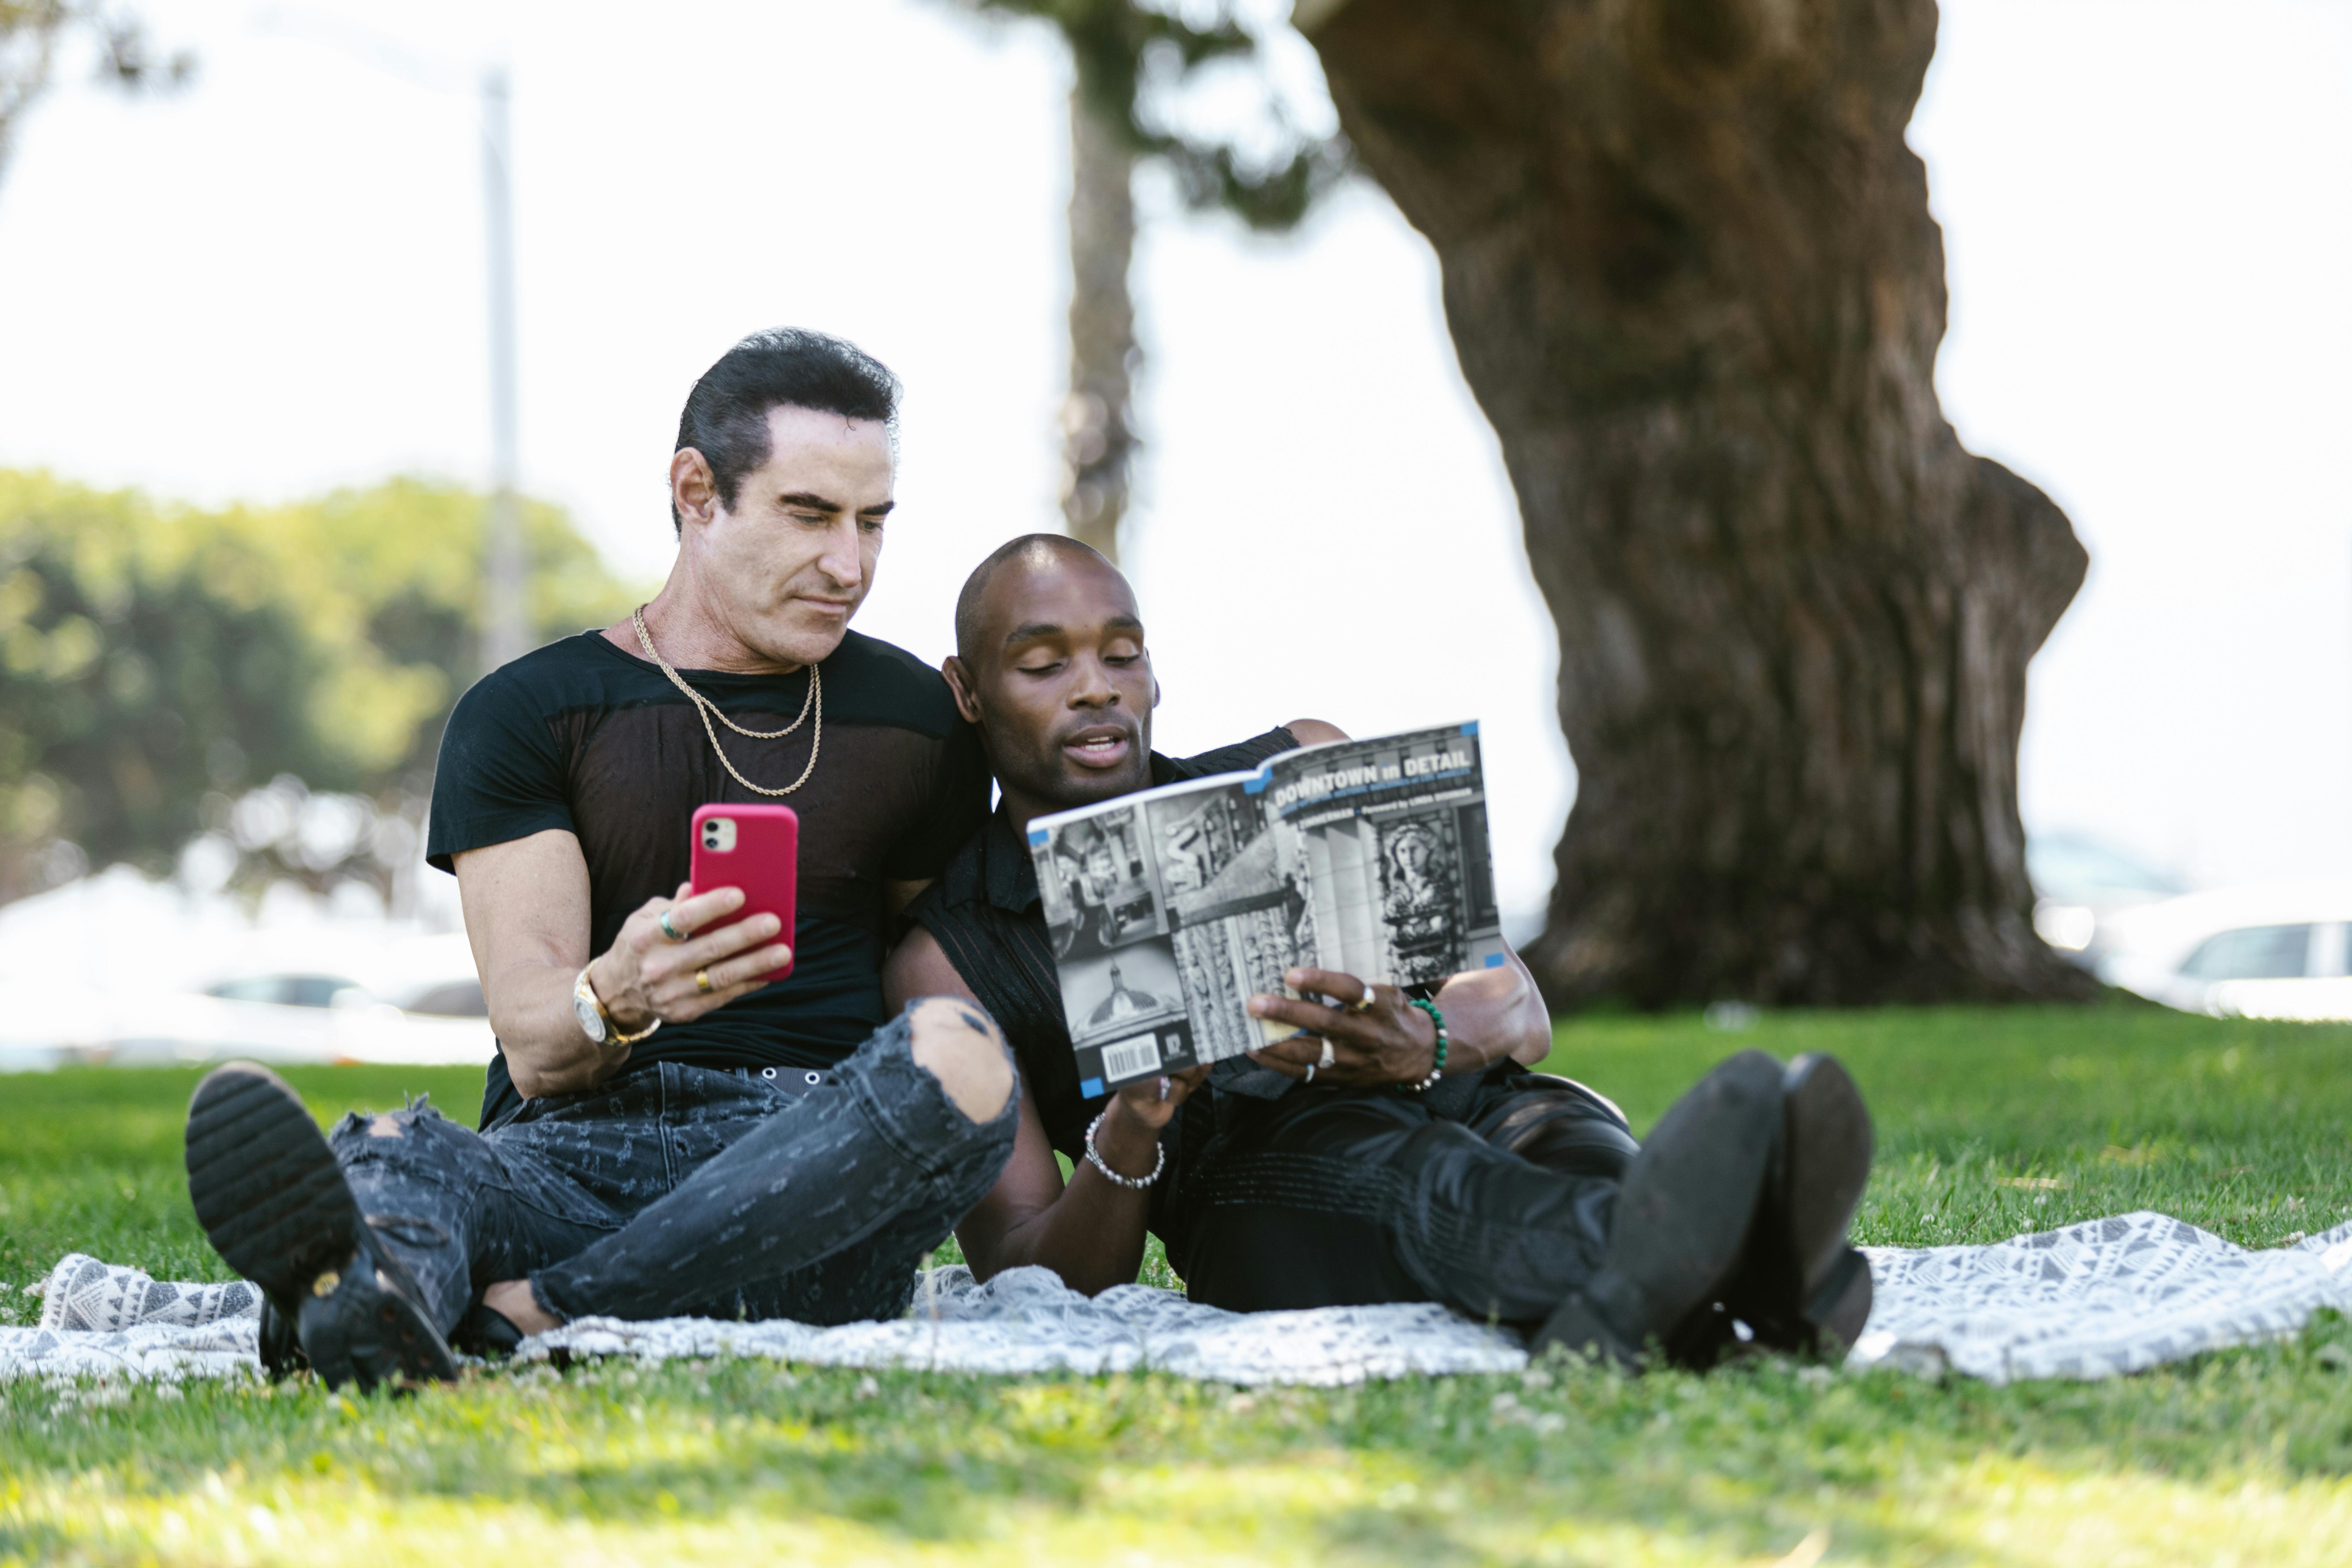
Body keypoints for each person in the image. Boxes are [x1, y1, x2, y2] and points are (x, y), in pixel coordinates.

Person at [183, 329, 1018, 1391]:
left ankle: (490, 1309)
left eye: (873, 523)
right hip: (572, 1152)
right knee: (405, 1145)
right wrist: (616, 994)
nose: (848, 565)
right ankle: (387, 1298)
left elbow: (925, 985)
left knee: (958, 1050)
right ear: (696, 492)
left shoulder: (920, 725)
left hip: (804, 1171)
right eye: (810, 515)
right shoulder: (531, 712)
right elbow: (535, 1048)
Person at [886, 535, 1876, 1367]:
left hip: (1469, 1097)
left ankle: (1690, 1297)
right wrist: (1136, 1124)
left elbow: (1518, 1008)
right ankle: (1763, 1267)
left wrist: (1429, 1040)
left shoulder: (1301, 767)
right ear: (969, 692)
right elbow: (1039, 1277)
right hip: (1258, 1189)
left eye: (1123, 654)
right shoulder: (947, 959)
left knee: (1571, 1147)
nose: (1097, 690)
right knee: (1425, 1180)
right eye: (1044, 663)